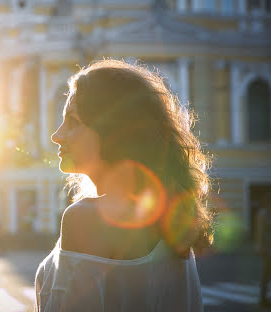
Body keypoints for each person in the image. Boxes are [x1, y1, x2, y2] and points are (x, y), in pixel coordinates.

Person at [34, 59, 214, 311]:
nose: (57, 135)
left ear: (114, 131)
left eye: (73, 121)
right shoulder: (172, 217)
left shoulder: (85, 217)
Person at [256, 193, 271, 307]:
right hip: (267, 249)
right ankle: (263, 298)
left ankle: (264, 298)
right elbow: (259, 232)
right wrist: (260, 246)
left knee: (266, 274)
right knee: (266, 274)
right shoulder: (263, 214)